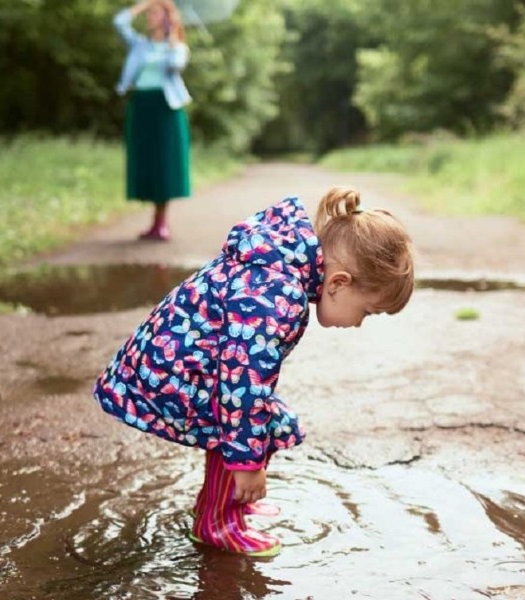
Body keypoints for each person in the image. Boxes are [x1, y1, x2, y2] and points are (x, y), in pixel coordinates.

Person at [93, 187, 414, 556]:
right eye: (367, 312)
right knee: (243, 428)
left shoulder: (280, 267)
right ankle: (218, 521)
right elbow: (241, 386)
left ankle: (227, 503)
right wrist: (245, 462)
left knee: (266, 423)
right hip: (169, 374)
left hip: (182, 368)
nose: (359, 324)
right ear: (339, 283)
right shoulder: (278, 296)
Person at [113, 0, 192, 241]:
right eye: (149, 14)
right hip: (141, 106)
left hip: (166, 108)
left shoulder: (177, 47)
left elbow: (176, 66)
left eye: (155, 13)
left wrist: (172, 39)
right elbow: (118, 22)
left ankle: (161, 222)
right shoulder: (139, 45)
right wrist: (144, 4)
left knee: (164, 163)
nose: (150, 17)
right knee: (146, 161)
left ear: (166, 18)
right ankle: (154, 222)